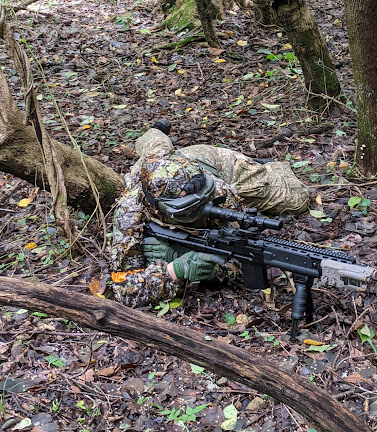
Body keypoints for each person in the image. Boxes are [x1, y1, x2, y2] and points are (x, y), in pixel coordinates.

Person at [108, 119, 309, 308]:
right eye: (189, 211)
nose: (199, 212)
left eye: (202, 204)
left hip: (213, 163)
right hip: (158, 166)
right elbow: (123, 288)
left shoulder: (219, 192)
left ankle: (269, 167)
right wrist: (174, 272)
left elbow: (243, 252)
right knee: (156, 145)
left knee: (297, 200)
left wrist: (219, 268)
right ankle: (156, 130)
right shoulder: (130, 214)